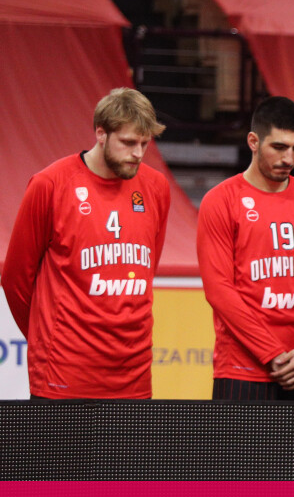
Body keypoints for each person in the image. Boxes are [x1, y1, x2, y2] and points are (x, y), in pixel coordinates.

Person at [2, 88, 170, 399]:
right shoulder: (50, 184)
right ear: (101, 134)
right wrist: (48, 341)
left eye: (144, 143)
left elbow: (146, 270)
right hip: (63, 373)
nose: (138, 153)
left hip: (133, 375)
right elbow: (15, 279)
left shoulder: (157, 187)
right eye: (128, 143)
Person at [197, 97, 294, 400]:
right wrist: (271, 352)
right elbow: (219, 290)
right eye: (279, 147)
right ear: (253, 141)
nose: (289, 158)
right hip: (242, 370)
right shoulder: (221, 200)